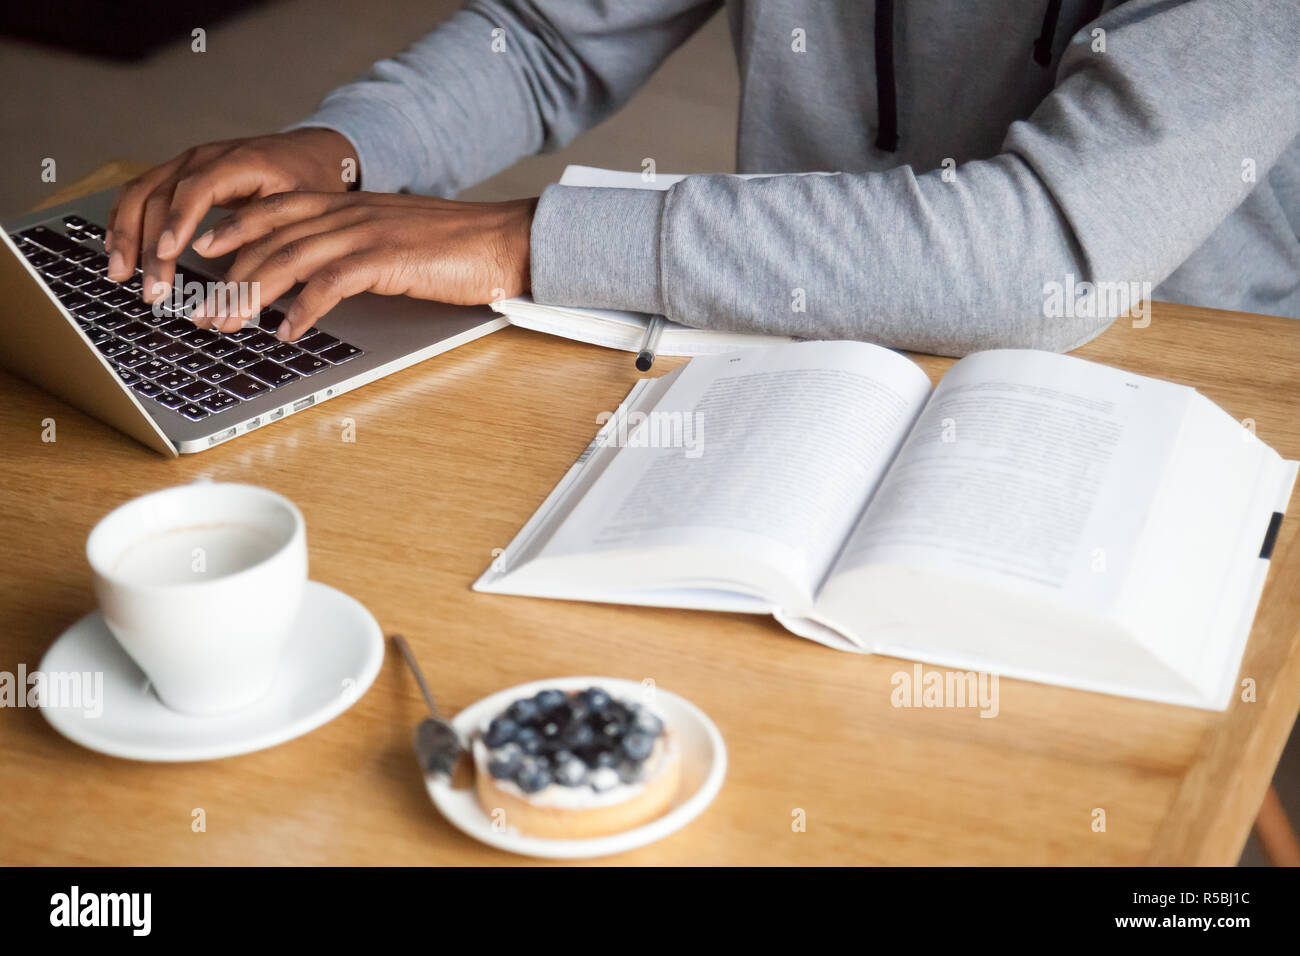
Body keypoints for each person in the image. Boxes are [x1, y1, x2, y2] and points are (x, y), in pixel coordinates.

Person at [104, 0, 1298, 355]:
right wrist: (352, 147)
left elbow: (1035, 254)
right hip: (798, 322)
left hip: (1163, 373)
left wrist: (525, 241)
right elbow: (554, 34)